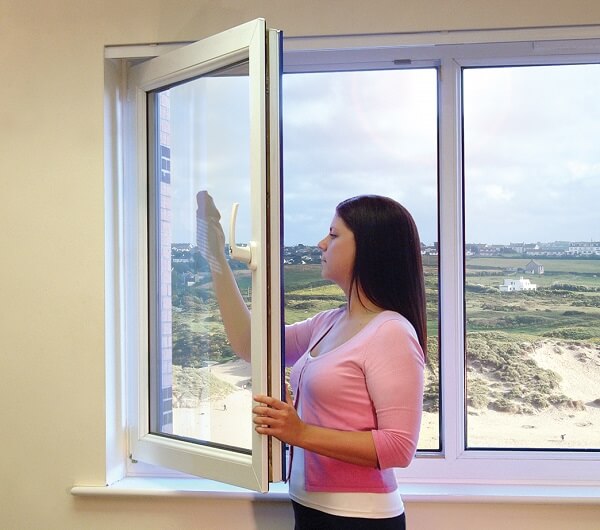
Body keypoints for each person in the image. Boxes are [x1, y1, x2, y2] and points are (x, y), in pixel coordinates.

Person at [196, 191, 426, 529]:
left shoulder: (391, 332)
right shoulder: (328, 322)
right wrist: (215, 253)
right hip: (311, 509)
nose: (321, 243)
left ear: (369, 247)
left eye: (333, 235)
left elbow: (398, 447)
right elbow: (250, 345)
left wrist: (299, 432)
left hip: (359, 519)